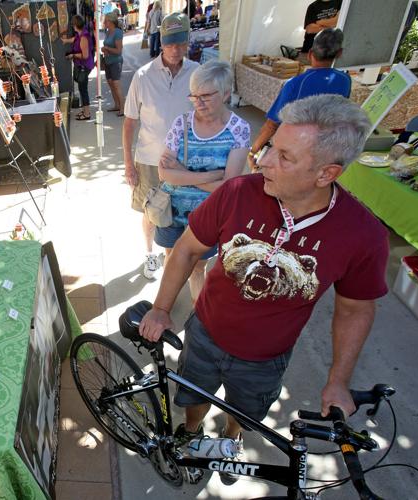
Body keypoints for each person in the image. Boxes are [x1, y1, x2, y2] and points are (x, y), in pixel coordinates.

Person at [139, 94, 388, 485]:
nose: (264, 159)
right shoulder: (238, 192)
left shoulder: (362, 234)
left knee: (244, 411)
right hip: (205, 332)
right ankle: (193, 429)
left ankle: (230, 439)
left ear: (326, 174)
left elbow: (355, 309)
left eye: (285, 157)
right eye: (271, 146)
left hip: (266, 357)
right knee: (194, 395)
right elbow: (187, 248)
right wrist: (160, 308)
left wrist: (338, 380)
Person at [156, 61, 250, 302]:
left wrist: (183, 173)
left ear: (227, 93)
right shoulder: (182, 123)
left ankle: (197, 315)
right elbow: (164, 173)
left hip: (208, 216)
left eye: (206, 96)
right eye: (194, 96)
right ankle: (166, 304)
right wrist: (212, 175)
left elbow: (229, 188)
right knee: (171, 258)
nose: (198, 103)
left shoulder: (238, 129)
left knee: (197, 267)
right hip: (172, 209)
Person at [123, 13, 199, 279]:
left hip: (186, 161)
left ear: (187, 41)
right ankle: (149, 255)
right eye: (170, 44)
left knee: (181, 214)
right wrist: (128, 164)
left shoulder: (197, 74)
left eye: (180, 43)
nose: (175, 50)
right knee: (151, 210)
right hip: (150, 159)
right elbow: (130, 123)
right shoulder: (143, 76)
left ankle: (177, 258)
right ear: (161, 43)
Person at [249, 28, 350, 170]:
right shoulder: (345, 80)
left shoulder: (295, 83)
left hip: (295, 152)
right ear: (339, 53)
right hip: (326, 151)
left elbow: (271, 125)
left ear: (310, 54)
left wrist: (253, 151)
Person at [62, 15, 94, 121]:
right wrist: (65, 40)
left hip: (84, 66)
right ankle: (85, 110)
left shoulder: (84, 37)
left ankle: (87, 113)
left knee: (83, 89)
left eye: (72, 24)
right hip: (81, 66)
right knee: (81, 88)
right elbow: (73, 39)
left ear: (75, 25)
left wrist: (73, 55)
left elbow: (85, 55)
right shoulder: (80, 34)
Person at [101, 12, 126, 116]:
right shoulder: (108, 32)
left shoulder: (117, 32)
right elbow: (109, 47)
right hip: (108, 61)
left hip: (115, 62)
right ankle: (116, 105)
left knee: (116, 85)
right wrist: (105, 50)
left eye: (105, 20)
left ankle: (123, 108)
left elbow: (119, 51)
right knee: (111, 84)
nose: (104, 22)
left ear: (110, 21)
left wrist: (107, 48)